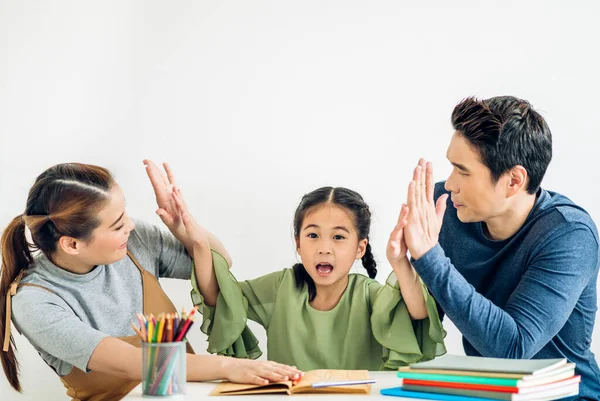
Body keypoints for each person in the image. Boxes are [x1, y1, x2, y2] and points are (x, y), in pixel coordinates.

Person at [1, 161, 301, 401]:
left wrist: (186, 228)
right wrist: (232, 366)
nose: (129, 225)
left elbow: (220, 264)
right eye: (117, 224)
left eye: (125, 214)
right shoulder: (34, 300)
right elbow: (137, 363)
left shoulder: (134, 241)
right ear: (71, 244)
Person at [401, 96, 600, 400]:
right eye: (451, 167)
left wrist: (429, 257)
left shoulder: (569, 235)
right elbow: (423, 327)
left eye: (463, 171)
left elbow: (513, 348)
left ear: (513, 181)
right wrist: (404, 264)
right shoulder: (447, 206)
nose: (450, 183)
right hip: (490, 394)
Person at [189, 186, 446, 371]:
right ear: (298, 244)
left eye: (338, 237)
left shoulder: (369, 294)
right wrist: (198, 242)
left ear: (360, 248)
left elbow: (419, 312)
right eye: (313, 236)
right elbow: (221, 299)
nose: (324, 247)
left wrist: (400, 260)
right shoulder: (282, 288)